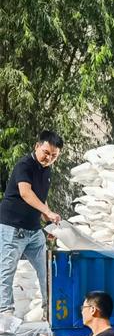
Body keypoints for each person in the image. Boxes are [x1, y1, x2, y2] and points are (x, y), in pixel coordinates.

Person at [0, 130, 63, 317]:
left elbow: (41, 199)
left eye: (54, 156)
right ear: (37, 146)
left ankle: (49, 310)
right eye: (46, 152)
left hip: (34, 231)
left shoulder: (47, 170)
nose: (49, 158)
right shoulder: (24, 165)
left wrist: (48, 221)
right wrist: (48, 212)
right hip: (12, 228)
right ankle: (5, 314)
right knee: (6, 271)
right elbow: (26, 192)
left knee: (47, 271)